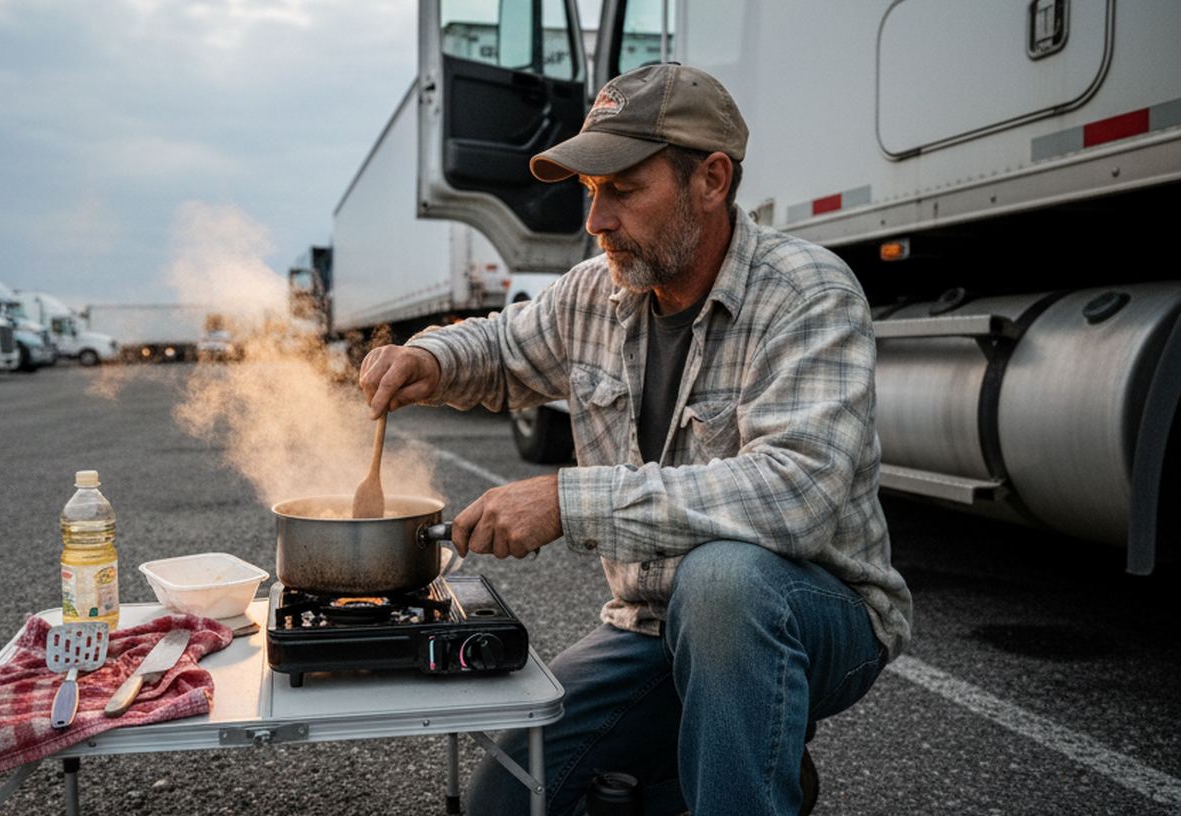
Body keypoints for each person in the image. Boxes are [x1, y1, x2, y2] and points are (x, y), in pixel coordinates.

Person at [359, 63, 912, 816]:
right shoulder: (600, 290)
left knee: (723, 582)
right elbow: (502, 346)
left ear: (711, 180)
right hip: (651, 624)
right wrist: (427, 358)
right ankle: (708, 771)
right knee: (508, 796)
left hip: (809, 612)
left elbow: (795, 493)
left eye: (623, 189)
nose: (596, 221)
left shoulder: (808, 294)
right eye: (591, 193)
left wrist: (565, 501)